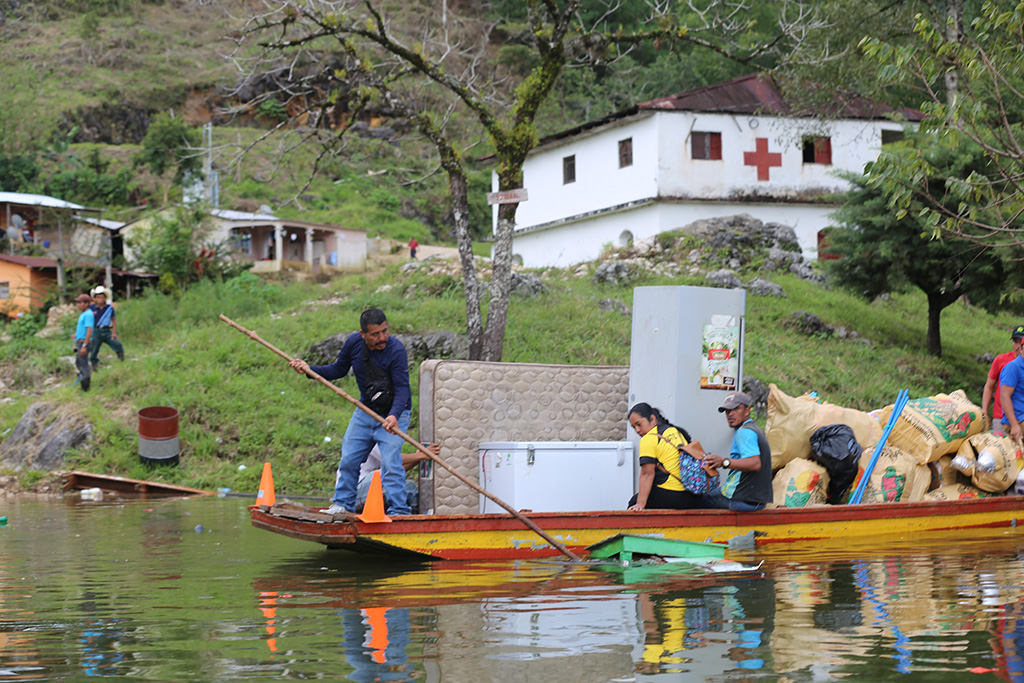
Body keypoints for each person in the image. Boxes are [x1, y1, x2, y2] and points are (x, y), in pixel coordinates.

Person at [289, 308, 412, 515]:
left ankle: (399, 511)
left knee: (391, 463)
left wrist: (393, 416)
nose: (382, 338)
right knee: (349, 459)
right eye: (375, 334)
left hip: (395, 413)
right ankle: (342, 505)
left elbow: (402, 389)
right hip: (365, 410)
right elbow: (338, 369)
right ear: (363, 334)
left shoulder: (396, 350)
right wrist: (309, 369)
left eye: (385, 331)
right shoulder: (354, 343)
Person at [700, 392, 772, 511]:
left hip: (741, 498)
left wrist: (724, 462)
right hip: (756, 499)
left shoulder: (744, 432)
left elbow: (755, 463)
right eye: (727, 411)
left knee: (697, 500)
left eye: (736, 409)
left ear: (747, 410)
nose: (730, 414)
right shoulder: (754, 429)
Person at [626, 403, 703, 511]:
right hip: (693, 496)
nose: (637, 430)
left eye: (639, 424)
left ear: (652, 419)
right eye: (634, 427)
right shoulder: (675, 431)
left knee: (633, 502)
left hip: (673, 496)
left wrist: (640, 504)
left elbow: (647, 474)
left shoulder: (648, 438)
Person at [354, 442, 439, 513]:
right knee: (378, 474)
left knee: (410, 488)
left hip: (371, 490)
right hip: (355, 492)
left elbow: (395, 471)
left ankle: (417, 520)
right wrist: (421, 454)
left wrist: (418, 458)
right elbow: (391, 459)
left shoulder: (386, 442)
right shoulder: (371, 435)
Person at [982, 325, 1024, 429]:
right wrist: (984, 412)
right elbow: (989, 387)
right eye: (1015, 341)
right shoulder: (1001, 360)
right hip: (1000, 417)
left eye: (1020, 341)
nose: (1018, 345)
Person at [88, 286, 125, 371]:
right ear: (95, 298)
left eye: (101, 297)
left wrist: (114, 332)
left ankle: (122, 362)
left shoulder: (109, 308)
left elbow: (114, 320)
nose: (100, 299)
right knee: (94, 349)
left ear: (105, 298)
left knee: (117, 344)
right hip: (96, 331)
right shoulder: (91, 308)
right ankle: (94, 367)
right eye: (98, 297)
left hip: (107, 330)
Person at [72, 293, 94, 392]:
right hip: (80, 341)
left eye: (80, 303)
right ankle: (82, 383)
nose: (78, 305)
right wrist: (76, 335)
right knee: (78, 363)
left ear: (86, 304)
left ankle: (85, 389)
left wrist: (84, 345)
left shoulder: (88, 314)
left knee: (83, 365)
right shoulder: (84, 314)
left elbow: (89, 330)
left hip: (84, 343)